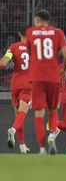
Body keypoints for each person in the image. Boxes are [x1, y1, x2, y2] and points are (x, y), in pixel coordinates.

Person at [26, 9, 66, 155]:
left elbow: (30, 52)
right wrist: (63, 70)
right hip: (54, 77)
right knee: (53, 110)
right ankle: (52, 134)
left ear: (37, 21)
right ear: (49, 21)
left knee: (39, 113)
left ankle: (42, 148)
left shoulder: (30, 33)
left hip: (37, 78)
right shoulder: (58, 33)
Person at [0, 25, 31, 153]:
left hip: (15, 84)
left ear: (19, 34)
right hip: (29, 84)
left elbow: (3, 63)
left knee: (18, 114)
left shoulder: (13, 47)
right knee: (22, 114)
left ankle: (22, 146)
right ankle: (12, 129)